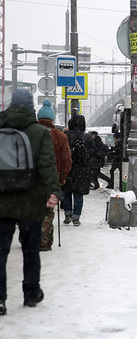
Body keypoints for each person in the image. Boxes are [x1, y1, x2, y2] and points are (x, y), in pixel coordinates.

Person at [0, 89, 61, 315]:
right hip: (30, 199)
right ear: (30, 108)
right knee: (31, 250)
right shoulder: (39, 132)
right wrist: (54, 191)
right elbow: (47, 165)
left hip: (2, 200)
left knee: (0, 252)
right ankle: (31, 293)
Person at [36, 98, 72, 251]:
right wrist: (61, 178)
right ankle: (44, 242)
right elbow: (66, 161)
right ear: (52, 118)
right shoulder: (59, 136)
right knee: (47, 212)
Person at [62, 114, 91, 226]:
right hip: (82, 171)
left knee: (67, 192)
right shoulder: (87, 137)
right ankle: (76, 217)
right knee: (78, 194)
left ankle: (68, 214)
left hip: (68, 168)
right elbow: (93, 153)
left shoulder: (66, 135)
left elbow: (62, 152)